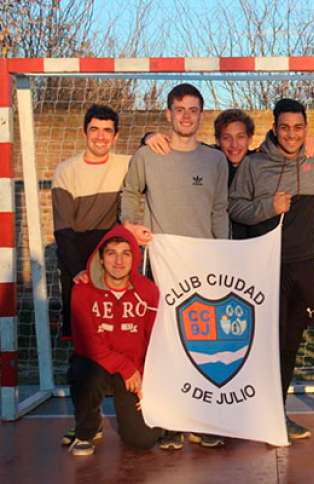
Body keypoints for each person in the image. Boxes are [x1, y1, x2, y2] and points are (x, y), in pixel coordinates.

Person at [121, 83, 229, 449]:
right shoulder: (149, 155)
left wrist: (224, 256)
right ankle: (169, 422)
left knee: (201, 342)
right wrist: (131, 225)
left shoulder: (215, 161)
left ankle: (200, 419)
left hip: (203, 266)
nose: (186, 115)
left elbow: (219, 209)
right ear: (168, 113)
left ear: (202, 114)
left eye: (193, 109)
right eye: (179, 109)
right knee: (165, 343)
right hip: (162, 264)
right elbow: (130, 193)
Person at [229, 98, 314, 440]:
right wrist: (267, 207)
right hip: (264, 266)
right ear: (275, 129)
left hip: (302, 266)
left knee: (290, 343)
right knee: (261, 344)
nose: (292, 134)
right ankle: (248, 411)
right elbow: (234, 207)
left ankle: (277, 411)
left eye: (299, 127)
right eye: (285, 127)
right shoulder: (254, 164)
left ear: (306, 130)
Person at [67, 225, 161, 456]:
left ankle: (160, 421)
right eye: (111, 253)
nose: (119, 261)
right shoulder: (83, 290)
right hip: (99, 365)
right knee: (82, 371)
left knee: (143, 440)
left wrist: (146, 379)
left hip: (133, 371)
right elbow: (87, 343)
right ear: (100, 258)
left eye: (126, 253)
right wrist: (126, 368)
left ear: (135, 258)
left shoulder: (148, 291)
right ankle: (87, 429)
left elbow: (155, 340)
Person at [52, 105, 129, 341]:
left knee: (115, 330)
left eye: (107, 130)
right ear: (84, 133)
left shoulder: (127, 164)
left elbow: (156, 157)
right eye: (94, 129)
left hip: (110, 253)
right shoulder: (66, 170)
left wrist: (150, 138)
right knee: (82, 336)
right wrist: (78, 270)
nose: (100, 137)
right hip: (77, 253)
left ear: (115, 136)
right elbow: (63, 229)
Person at [143, 108, 257, 239]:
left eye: (240, 137)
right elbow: (180, 146)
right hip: (209, 245)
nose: (234, 145)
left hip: (249, 245)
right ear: (218, 140)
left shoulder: (258, 165)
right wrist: (149, 137)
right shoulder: (208, 160)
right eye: (226, 138)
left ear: (250, 139)